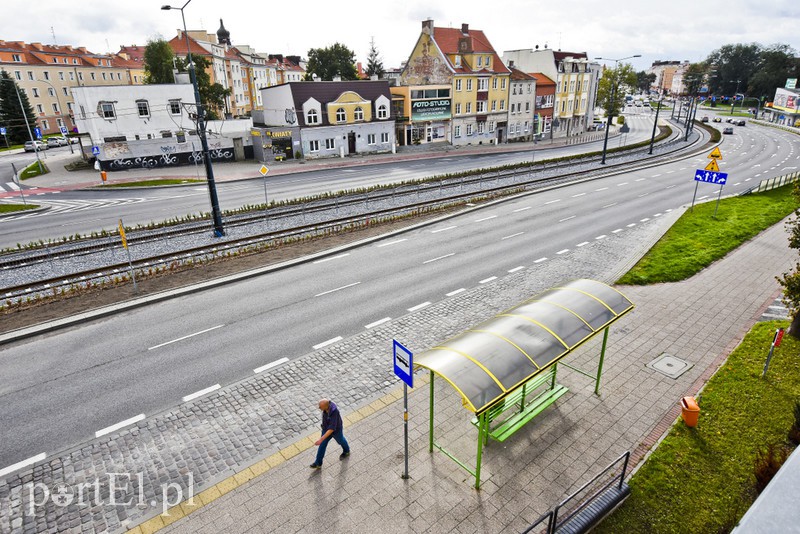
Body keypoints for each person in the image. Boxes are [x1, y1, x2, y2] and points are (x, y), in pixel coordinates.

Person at [309, 399, 350, 469]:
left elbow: (331, 429)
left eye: (320, 407)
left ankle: (346, 451)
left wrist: (321, 439)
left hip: (336, 431)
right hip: (326, 429)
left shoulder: (334, 412)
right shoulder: (325, 410)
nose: (319, 408)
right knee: (322, 445)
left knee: (340, 441)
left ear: (326, 406)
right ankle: (318, 463)